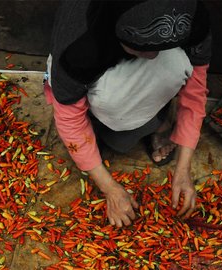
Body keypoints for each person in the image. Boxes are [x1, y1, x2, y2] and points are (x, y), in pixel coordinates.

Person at [44, 0, 211, 227]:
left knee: (177, 65)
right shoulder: (78, 41)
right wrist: (109, 188)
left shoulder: (191, 13)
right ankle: (98, 120)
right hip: (91, 58)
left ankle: (159, 120)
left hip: (120, 46)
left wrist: (183, 169)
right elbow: (68, 117)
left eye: (156, 48)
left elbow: (195, 90)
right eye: (140, 48)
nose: (152, 56)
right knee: (105, 106)